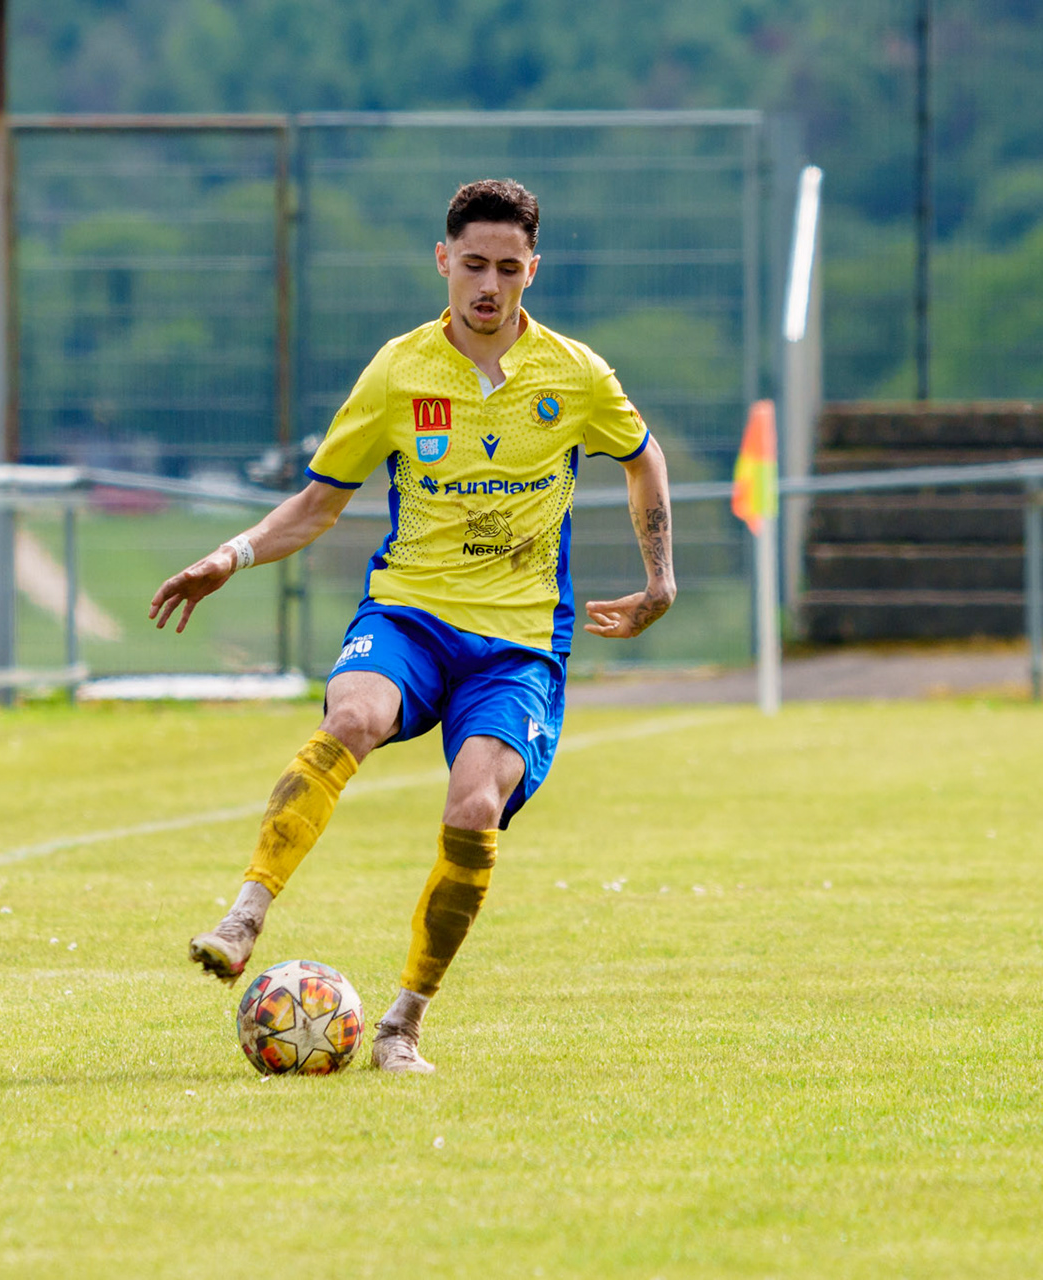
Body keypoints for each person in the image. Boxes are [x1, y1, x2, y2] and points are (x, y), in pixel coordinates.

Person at [152, 179, 675, 1074]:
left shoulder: (576, 375)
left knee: (475, 804)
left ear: (532, 272)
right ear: (443, 260)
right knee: (351, 717)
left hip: (516, 645)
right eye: (473, 264)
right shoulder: (399, 369)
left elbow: (644, 458)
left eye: (509, 269)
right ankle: (244, 913)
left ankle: (403, 1022)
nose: (489, 285)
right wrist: (230, 557)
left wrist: (660, 581)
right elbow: (318, 504)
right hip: (409, 616)